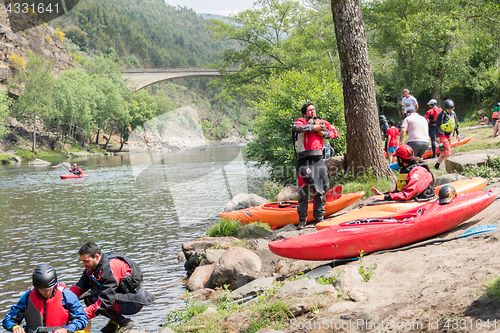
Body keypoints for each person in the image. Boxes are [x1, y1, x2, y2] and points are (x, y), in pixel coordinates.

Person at [70, 242, 155, 333]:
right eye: (82, 261)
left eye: (86, 261)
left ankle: (124, 322)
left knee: (91, 299)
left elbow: (105, 301)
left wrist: (82, 315)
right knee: (90, 297)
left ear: (97, 256)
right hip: (120, 299)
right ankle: (114, 322)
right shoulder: (92, 268)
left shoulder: (110, 268)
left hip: (132, 304)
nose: (83, 264)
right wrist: (64, 300)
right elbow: (79, 288)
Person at [293, 102, 339, 229]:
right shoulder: (301, 121)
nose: (312, 111)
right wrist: (313, 128)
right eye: (309, 110)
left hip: (318, 160)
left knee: (320, 190)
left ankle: (319, 217)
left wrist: (324, 134)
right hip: (304, 161)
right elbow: (296, 129)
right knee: (304, 192)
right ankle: (302, 219)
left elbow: (335, 132)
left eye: (313, 109)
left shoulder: (322, 122)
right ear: (304, 113)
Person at [3, 264, 88, 333]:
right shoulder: (27, 297)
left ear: (55, 285)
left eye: (49, 289)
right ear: (36, 287)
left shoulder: (67, 296)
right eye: (43, 290)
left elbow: (82, 319)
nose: (47, 293)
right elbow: (8, 319)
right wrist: (15, 327)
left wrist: (67, 329)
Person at [370, 145, 435, 201]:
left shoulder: (417, 171)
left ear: (400, 159)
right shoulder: (406, 170)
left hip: (422, 200)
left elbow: (408, 194)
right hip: (410, 199)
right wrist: (384, 194)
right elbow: (399, 191)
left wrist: (386, 197)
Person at [434, 99, 461, 170]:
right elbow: (437, 126)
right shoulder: (441, 115)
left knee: (443, 151)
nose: (450, 110)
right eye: (449, 109)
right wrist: (437, 137)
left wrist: (458, 134)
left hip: (448, 135)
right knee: (447, 152)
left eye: (451, 109)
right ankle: (449, 169)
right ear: (445, 108)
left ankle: (436, 165)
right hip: (441, 135)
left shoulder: (453, 114)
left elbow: (456, 125)